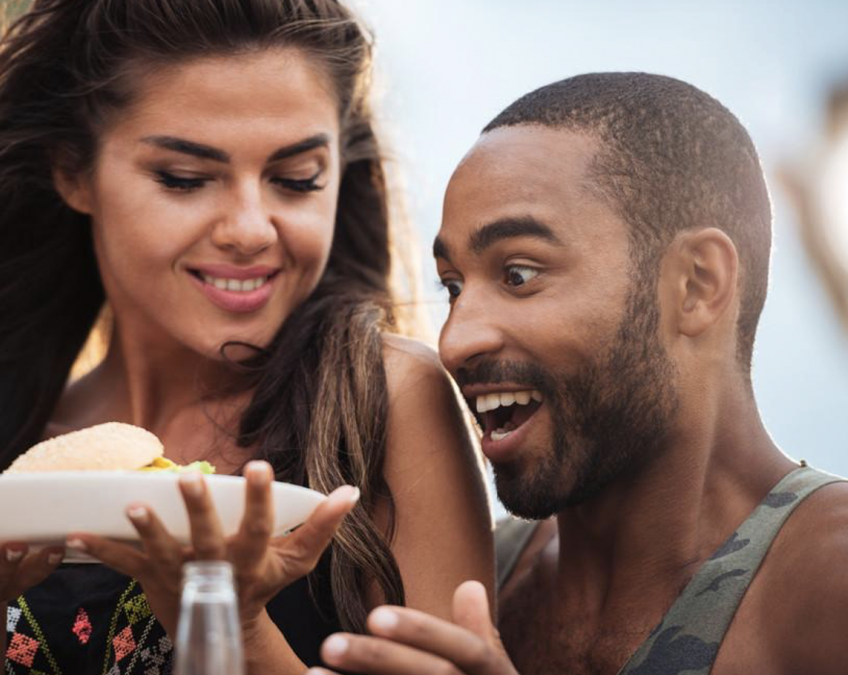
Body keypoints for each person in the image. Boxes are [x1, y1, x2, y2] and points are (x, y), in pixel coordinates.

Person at [0, 1, 494, 674]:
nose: (250, 228)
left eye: (296, 181)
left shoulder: (380, 400)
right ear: (73, 171)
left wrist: (233, 624)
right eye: (185, 178)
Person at [310, 72, 848, 675]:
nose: (454, 341)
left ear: (697, 285)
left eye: (518, 274)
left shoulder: (829, 582)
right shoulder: (473, 584)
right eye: (453, 287)